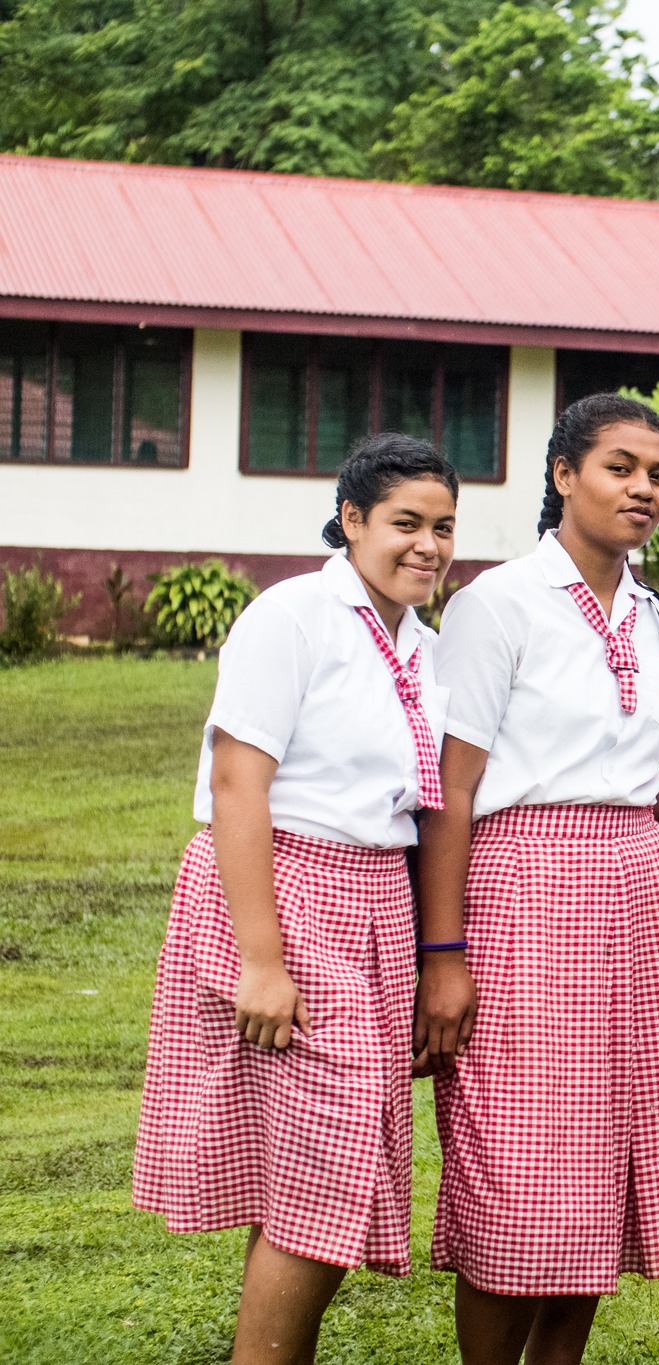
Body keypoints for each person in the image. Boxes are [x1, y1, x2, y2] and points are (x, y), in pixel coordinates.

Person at [416, 393, 659, 1364]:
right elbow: (451, 790)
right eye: (619, 468)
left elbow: (651, 771)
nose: (644, 489)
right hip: (525, 888)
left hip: (639, 888)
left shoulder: (655, 615)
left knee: (606, 1153)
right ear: (563, 475)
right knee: (522, 1156)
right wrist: (443, 953)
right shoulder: (498, 603)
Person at [133, 434, 459, 1363]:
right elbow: (238, 783)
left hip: (377, 901)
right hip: (285, 888)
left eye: (443, 527)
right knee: (333, 1157)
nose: (428, 545)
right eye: (405, 523)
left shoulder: (423, 645)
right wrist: (262, 960)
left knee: (313, 1162)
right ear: (352, 519)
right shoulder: (294, 615)